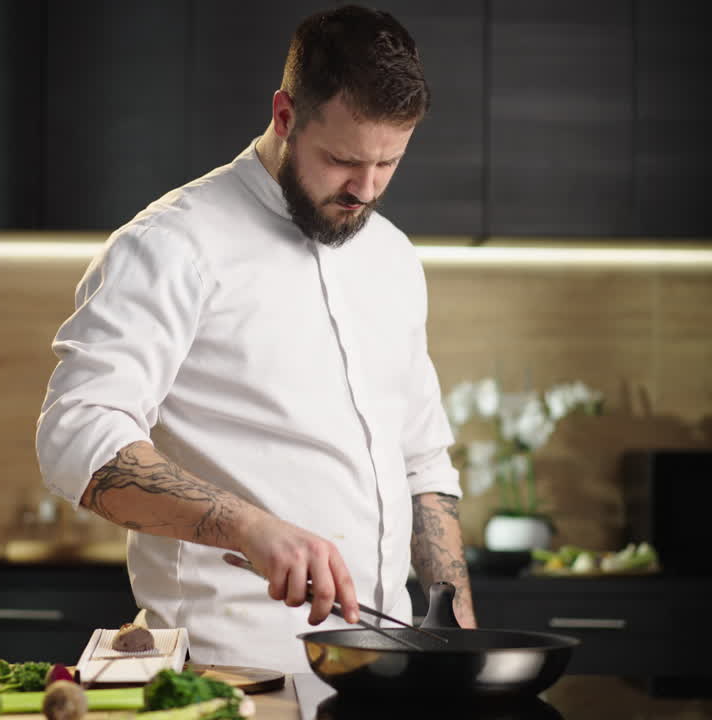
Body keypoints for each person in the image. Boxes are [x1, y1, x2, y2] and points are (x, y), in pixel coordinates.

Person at [36, 4, 476, 674]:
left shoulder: (392, 257)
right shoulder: (173, 246)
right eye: (342, 160)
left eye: (389, 163)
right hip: (230, 673)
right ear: (284, 116)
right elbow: (76, 436)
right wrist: (250, 526)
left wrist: (458, 627)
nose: (365, 189)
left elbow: (421, 462)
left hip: (379, 674)